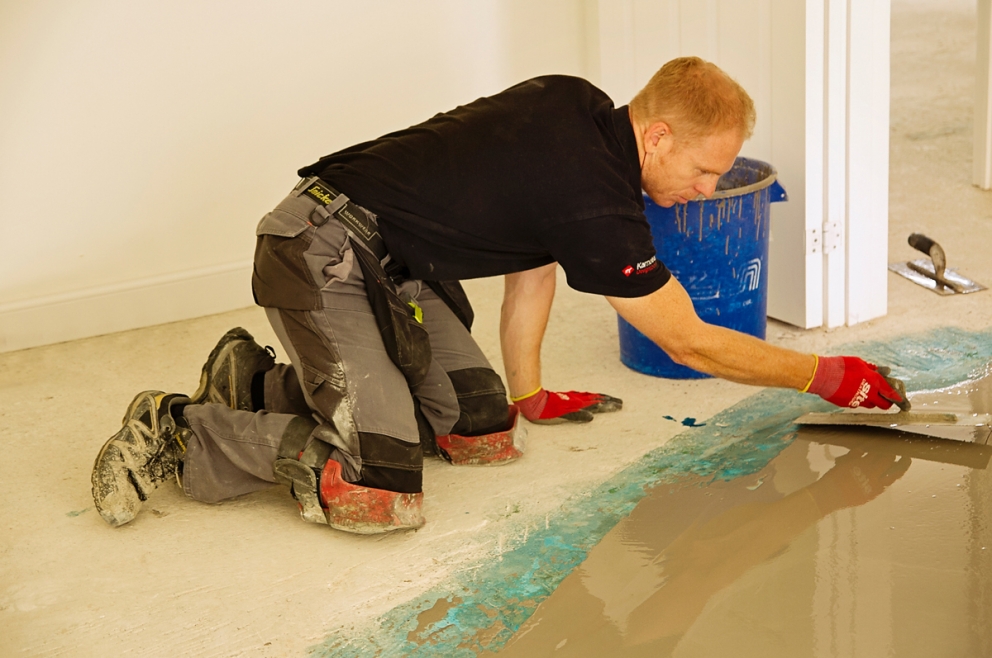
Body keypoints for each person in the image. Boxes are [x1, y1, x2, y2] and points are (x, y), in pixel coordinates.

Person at [90, 57, 907, 535]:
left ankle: (257, 381)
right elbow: (687, 340)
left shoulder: (579, 106)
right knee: (380, 490)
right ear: (657, 136)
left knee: (483, 431)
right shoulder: (596, 201)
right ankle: (185, 431)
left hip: (402, 270)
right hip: (319, 249)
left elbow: (533, 257)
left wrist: (529, 392)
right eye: (700, 170)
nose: (704, 189)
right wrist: (823, 375)